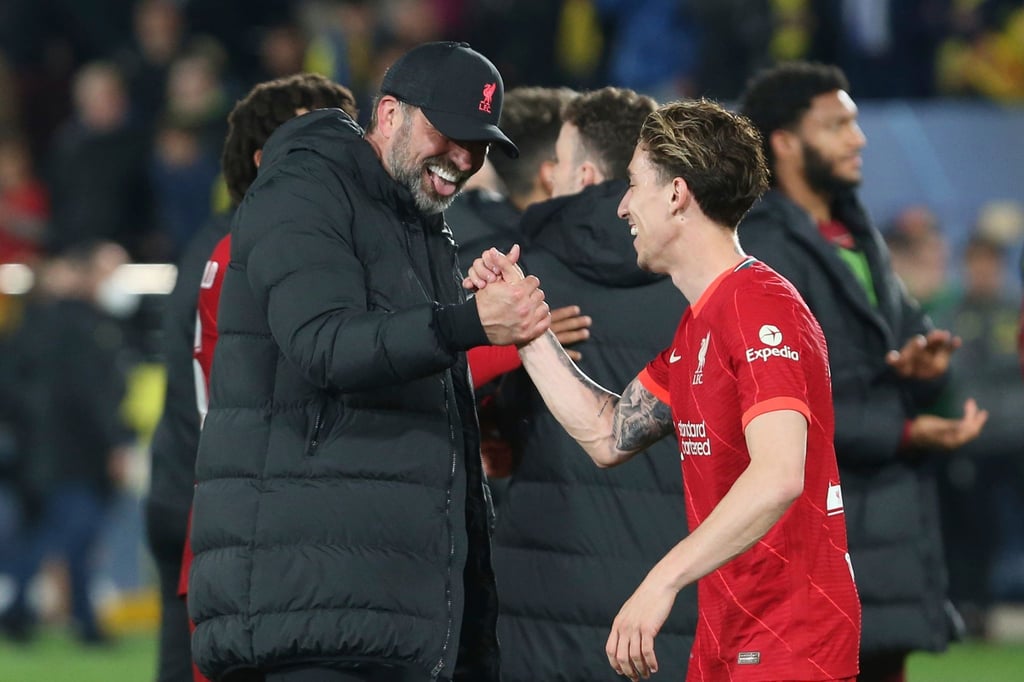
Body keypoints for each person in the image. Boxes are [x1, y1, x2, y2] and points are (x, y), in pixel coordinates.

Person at [187, 41, 550, 682]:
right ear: (388, 115)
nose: (466, 159)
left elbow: (403, 352)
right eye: (451, 133)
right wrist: (468, 323)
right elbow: (324, 344)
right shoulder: (306, 187)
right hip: (313, 601)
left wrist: (466, 300)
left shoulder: (411, 217)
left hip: (380, 600)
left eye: (482, 143)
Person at [466, 99, 861, 682]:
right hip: (729, 635)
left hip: (788, 646)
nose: (622, 205)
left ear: (676, 194)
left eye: (632, 184)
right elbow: (607, 432)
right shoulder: (700, 322)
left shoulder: (759, 306)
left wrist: (662, 579)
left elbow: (779, 476)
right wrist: (527, 328)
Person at [736, 61, 988, 681]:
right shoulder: (760, 248)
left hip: (885, 523)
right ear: (786, 143)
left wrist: (924, 368)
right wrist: (901, 433)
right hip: (812, 530)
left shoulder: (858, 233)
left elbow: (896, 347)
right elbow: (774, 401)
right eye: (837, 125)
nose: (859, 137)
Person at [146, 72, 359, 682]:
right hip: (229, 509)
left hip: (199, 497)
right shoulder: (258, 250)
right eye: (326, 140)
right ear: (270, 159)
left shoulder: (214, 242)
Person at [488, 86, 695, 681]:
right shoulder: (705, 291)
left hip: (546, 598)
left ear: (581, 172)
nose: (546, 173)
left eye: (558, 158)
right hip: (679, 598)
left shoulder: (520, 284)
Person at [0, 241, 136, 644]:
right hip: (72, 454)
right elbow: (90, 396)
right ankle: (39, 613)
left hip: (55, 452)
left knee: (64, 535)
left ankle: (57, 616)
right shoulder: (78, 326)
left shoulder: (66, 323)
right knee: (68, 533)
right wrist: (115, 443)